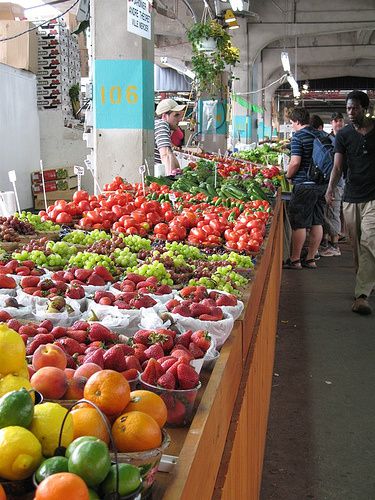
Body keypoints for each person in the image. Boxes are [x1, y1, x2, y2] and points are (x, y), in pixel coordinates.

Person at [326, 90, 375, 315]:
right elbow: (337, 166)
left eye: (354, 108)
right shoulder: (343, 135)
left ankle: (362, 295)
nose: (351, 112)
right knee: (356, 246)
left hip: (373, 198)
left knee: (370, 241)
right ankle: (364, 283)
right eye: (348, 108)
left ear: (365, 108)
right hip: (351, 196)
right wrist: (330, 190)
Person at [283, 107, 326, 270]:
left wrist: (287, 175)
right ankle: (311, 258)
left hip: (304, 185)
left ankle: (295, 260)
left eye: (292, 123)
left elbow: (295, 162)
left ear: (297, 121)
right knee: (317, 221)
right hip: (321, 185)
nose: (292, 126)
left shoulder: (298, 137)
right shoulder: (321, 135)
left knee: (299, 223)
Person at [319, 112, 346, 257]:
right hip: (327, 180)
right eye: (336, 121)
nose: (338, 123)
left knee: (334, 211)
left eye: (340, 120)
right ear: (332, 122)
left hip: (339, 181)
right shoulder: (327, 139)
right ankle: (326, 242)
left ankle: (335, 245)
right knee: (327, 211)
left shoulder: (347, 137)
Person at [154, 99, 185, 175]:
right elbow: (166, 155)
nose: (180, 119)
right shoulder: (162, 124)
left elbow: (170, 155)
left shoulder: (159, 125)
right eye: (176, 115)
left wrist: (179, 173)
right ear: (164, 116)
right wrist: (171, 179)